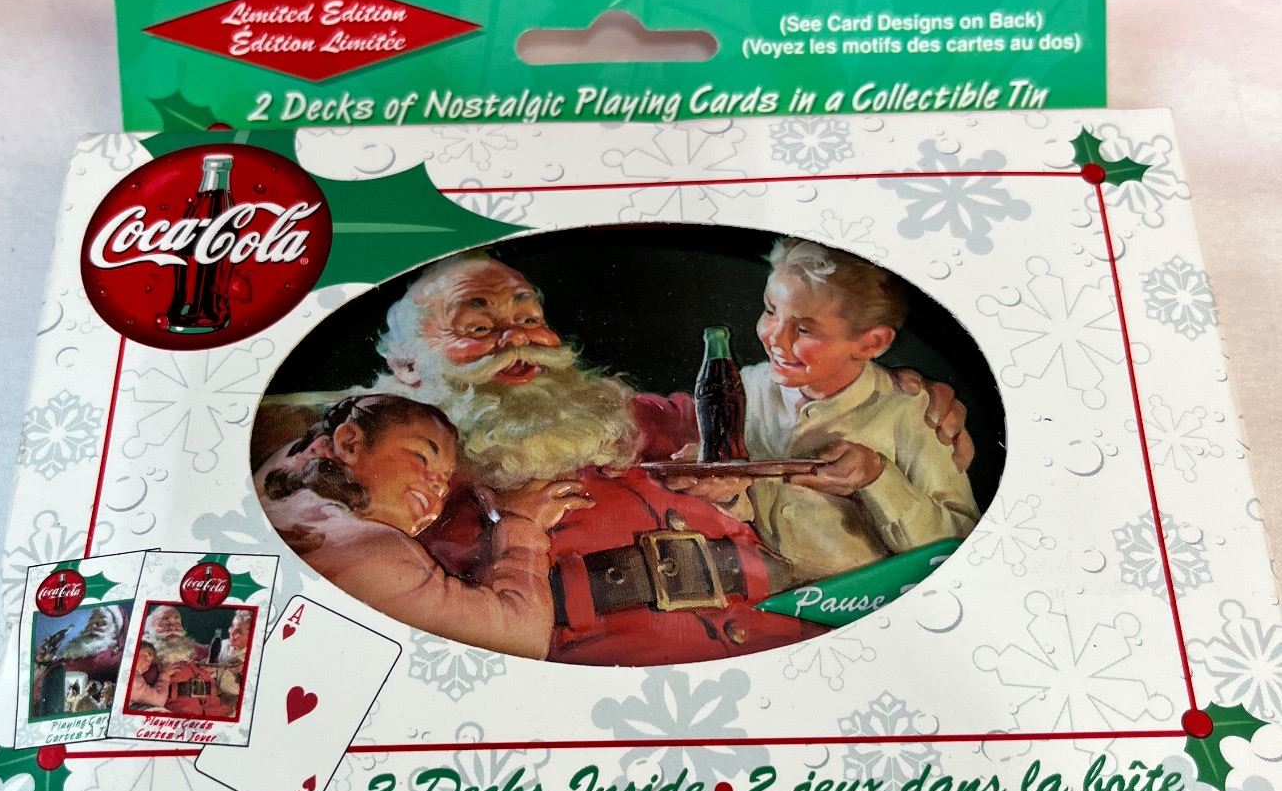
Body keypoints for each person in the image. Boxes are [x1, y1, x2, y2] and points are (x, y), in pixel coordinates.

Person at [255, 253, 973, 667]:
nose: (517, 337)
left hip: (799, 644)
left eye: (528, 316)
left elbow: (794, 411)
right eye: (478, 325)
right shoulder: (379, 459)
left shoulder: (630, 412)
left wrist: (898, 395)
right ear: (408, 368)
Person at [674, 239, 979, 591]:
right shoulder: (746, 389)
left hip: (862, 601)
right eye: (771, 311)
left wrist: (878, 478)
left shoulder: (910, 411)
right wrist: (726, 492)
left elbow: (958, 541)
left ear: (872, 343)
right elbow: (750, 508)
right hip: (766, 594)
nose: (775, 338)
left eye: (804, 329)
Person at [257, 392, 584, 659]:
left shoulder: (285, 486)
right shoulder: (374, 553)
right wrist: (521, 526)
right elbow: (521, 639)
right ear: (349, 443)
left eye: (444, 481)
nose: (439, 487)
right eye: (422, 458)